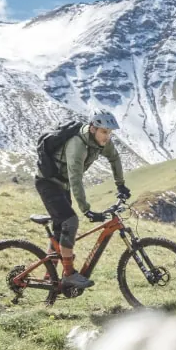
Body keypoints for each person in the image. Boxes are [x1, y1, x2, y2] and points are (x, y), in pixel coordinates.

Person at [33, 110, 131, 291]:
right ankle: (69, 274)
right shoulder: (77, 145)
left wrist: (121, 185)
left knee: (60, 229)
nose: (107, 137)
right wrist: (86, 209)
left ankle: (50, 276)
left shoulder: (102, 143)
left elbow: (114, 158)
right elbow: (76, 179)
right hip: (47, 183)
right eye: (104, 132)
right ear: (93, 129)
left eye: (110, 133)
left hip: (63, 185)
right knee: (70, 221)